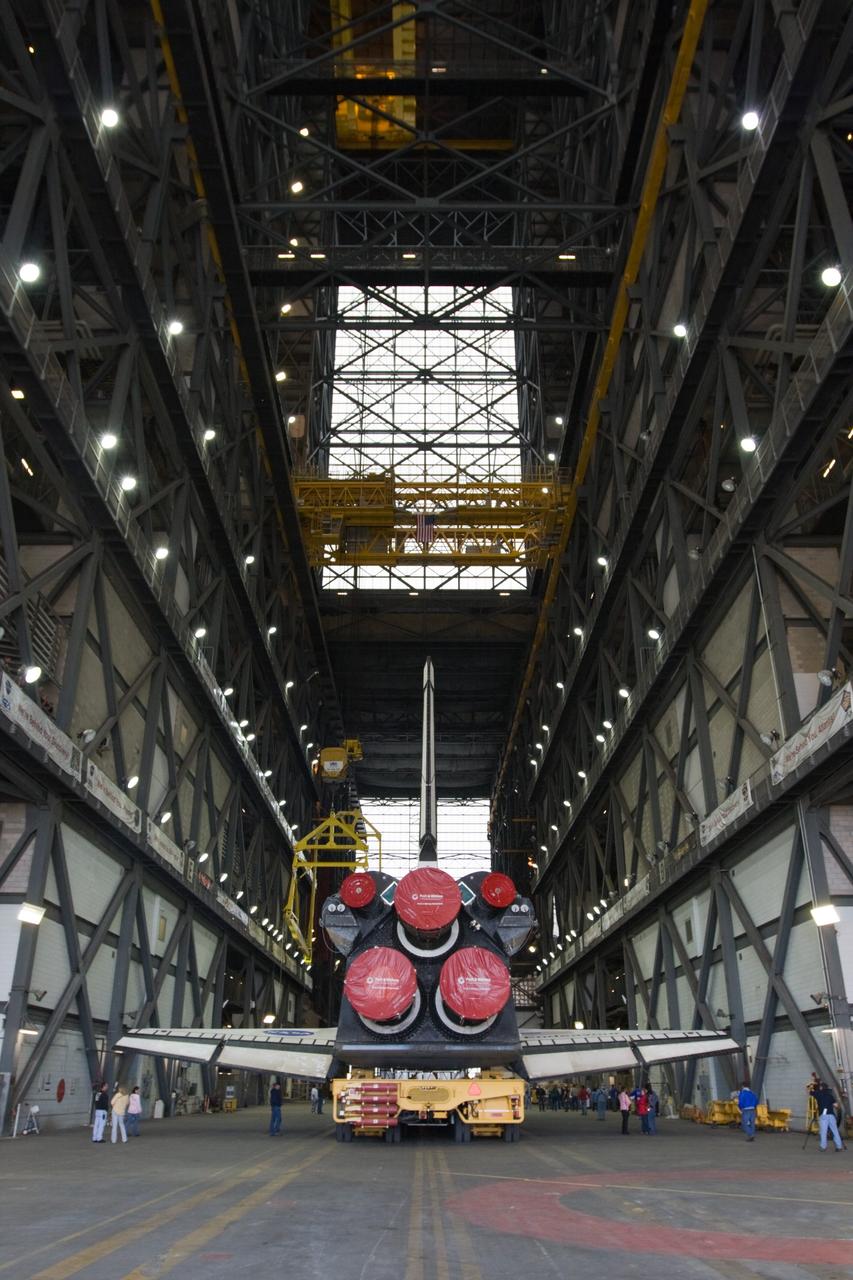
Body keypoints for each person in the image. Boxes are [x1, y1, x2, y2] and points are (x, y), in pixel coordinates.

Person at [810, 1080, 844, 1153]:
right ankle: (839, 1147)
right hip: (831, 1116)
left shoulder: (818, 1094)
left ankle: (823, 1147)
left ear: (821, 1087)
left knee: (823, 1131)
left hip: (824, 1116)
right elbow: (836, 1106)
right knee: (835, 1131)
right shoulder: (830, 1096)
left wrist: (811, 1086)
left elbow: (810, 1092)